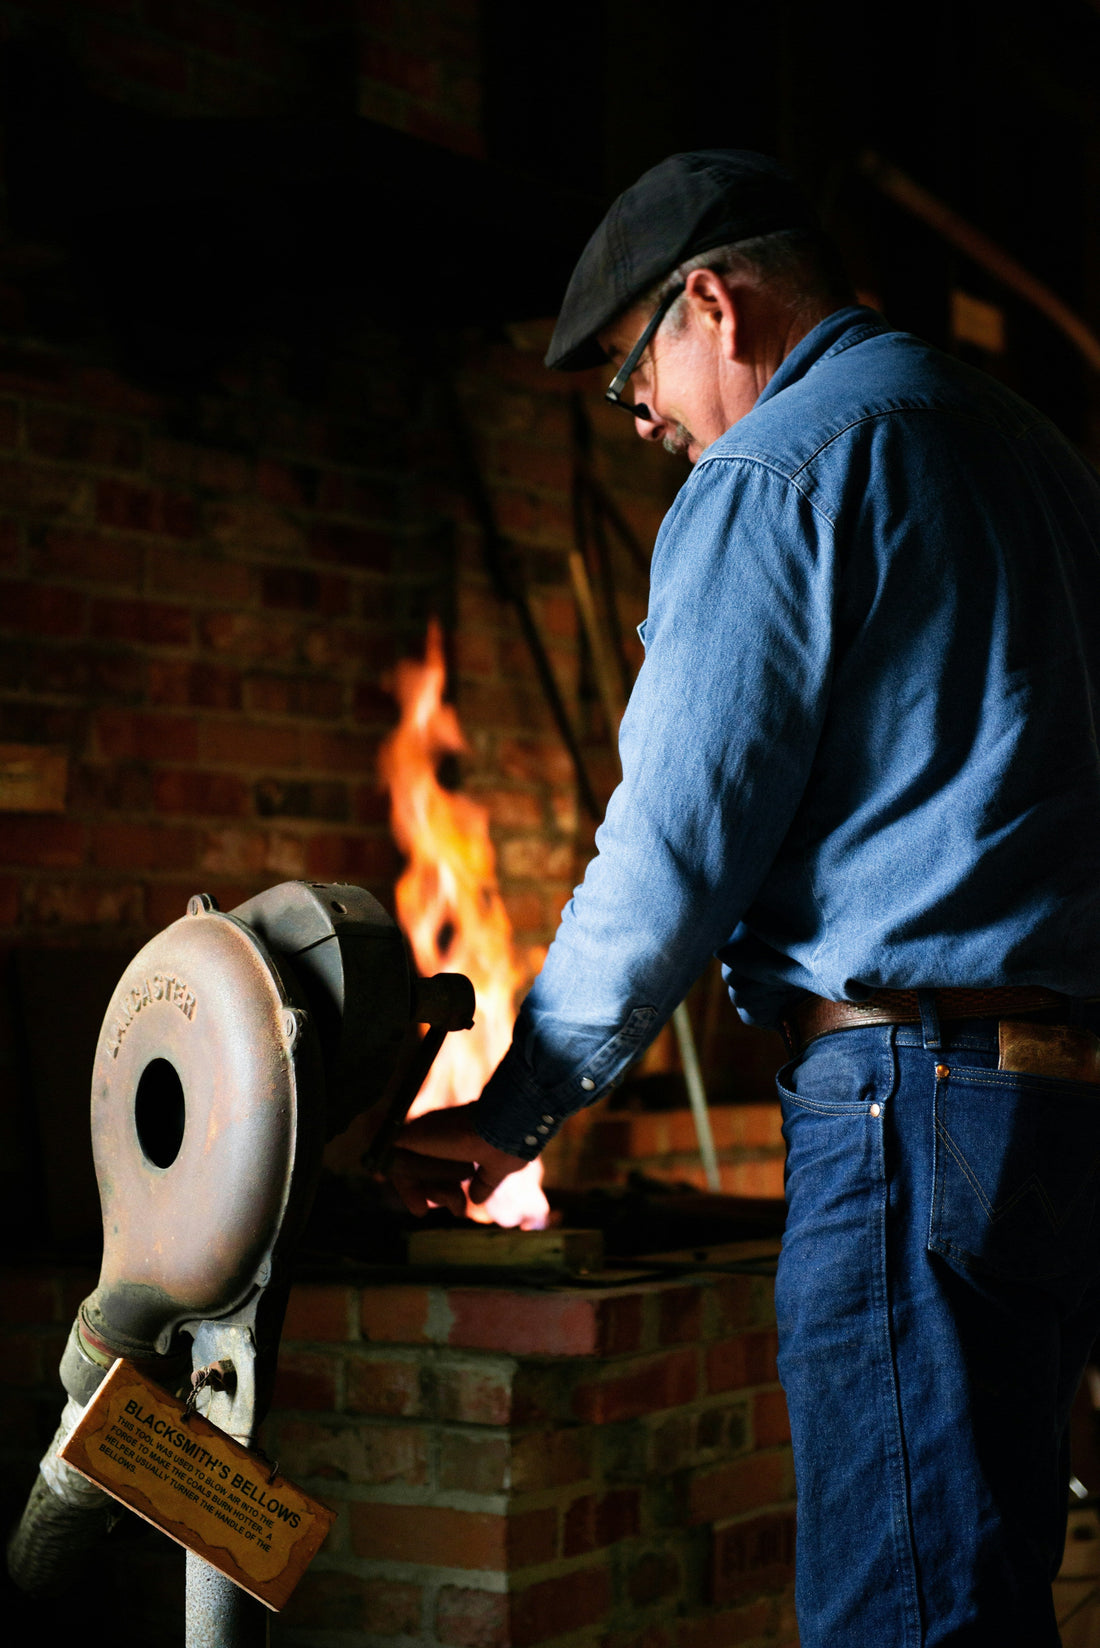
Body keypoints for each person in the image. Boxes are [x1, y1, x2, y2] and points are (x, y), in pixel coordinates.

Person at [388, 150, 1100, 1646]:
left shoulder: (776, 471)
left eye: (631, 369)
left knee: (907, 1612)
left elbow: (672, 848)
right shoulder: (1036, 447)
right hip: (1057, 1103)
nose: (639, 414)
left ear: (711, 304)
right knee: (990, 1586)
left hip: (908, 1100)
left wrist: (516, 1109)